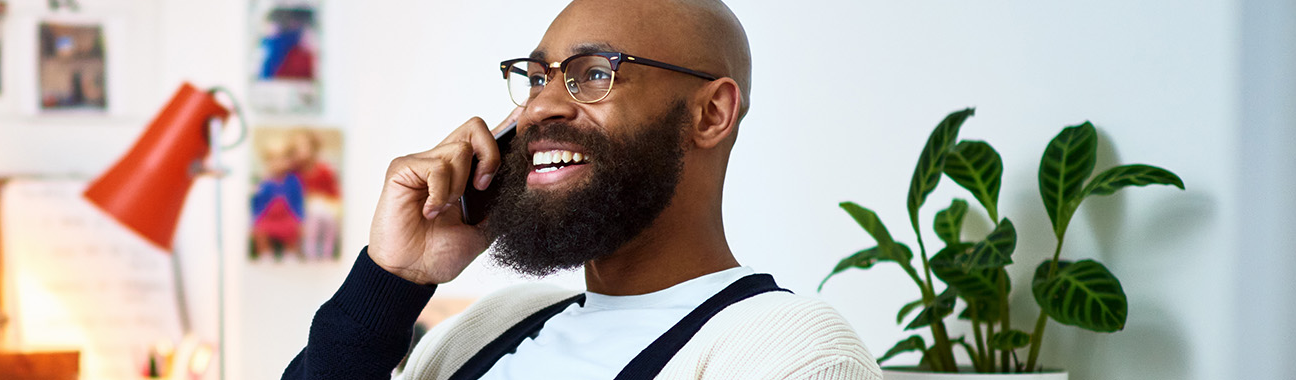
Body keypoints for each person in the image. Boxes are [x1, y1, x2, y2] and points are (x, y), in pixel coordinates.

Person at [281, 0, 880, 379]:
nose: (540, 107)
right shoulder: (490, 326)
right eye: (537, 78)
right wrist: (392, 279)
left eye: (594, 73)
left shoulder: (793, 355)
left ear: (711, 114)